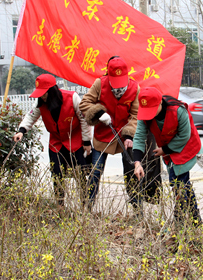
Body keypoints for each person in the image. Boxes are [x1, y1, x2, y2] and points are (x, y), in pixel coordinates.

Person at [13, 74, 92, 206]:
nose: (42, 97)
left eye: (44, 94)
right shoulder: (40, 102)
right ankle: (60, 204)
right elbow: (31, 117)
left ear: (53, 91)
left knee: (80, 174)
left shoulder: (72, 97)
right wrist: (21, 131)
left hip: (76, 140)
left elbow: (84, 119)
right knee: (56, 175)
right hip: (56, 142)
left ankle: (85, 204)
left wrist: (87, 142)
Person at [133, 87, 202, 227]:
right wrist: (137, 163)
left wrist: (165, 150)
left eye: (152, 110)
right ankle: (196, 220)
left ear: (160, 103)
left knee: (178, 183)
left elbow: (184, 135)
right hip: (167, 149)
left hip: (186, 146)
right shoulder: (145, 116)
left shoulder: (178, 110)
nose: (149, 115)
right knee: (183, 185)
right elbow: (139, 137)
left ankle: (179, 223)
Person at [79, 56, 141, 212]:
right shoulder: (100, 83)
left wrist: (129, 135)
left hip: (124, 138)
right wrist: (99, 113)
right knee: (95, 173)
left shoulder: (135, 88)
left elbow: (136, 115)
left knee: (131, 175)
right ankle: (87, 208)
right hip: (103, 136)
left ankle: (137, 209)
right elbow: (84, 104)